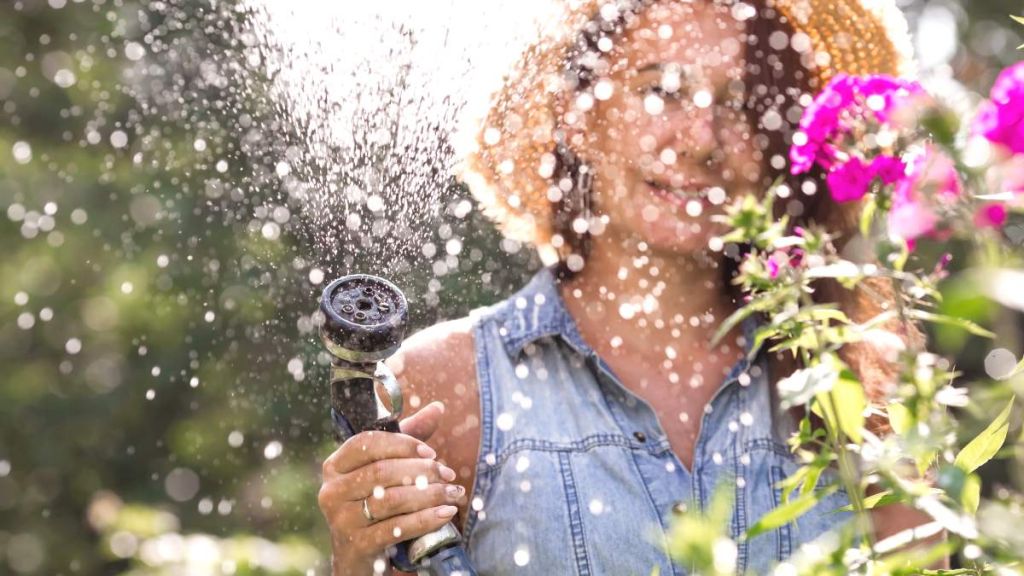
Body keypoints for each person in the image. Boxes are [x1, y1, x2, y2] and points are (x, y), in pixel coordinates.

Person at [318, 0, 943, 574]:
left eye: (743, 101)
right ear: (578, 116)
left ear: (775, 141)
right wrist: (357, 555)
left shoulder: (865, 372)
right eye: (662, 90)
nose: (702, 138)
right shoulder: (445, 387)